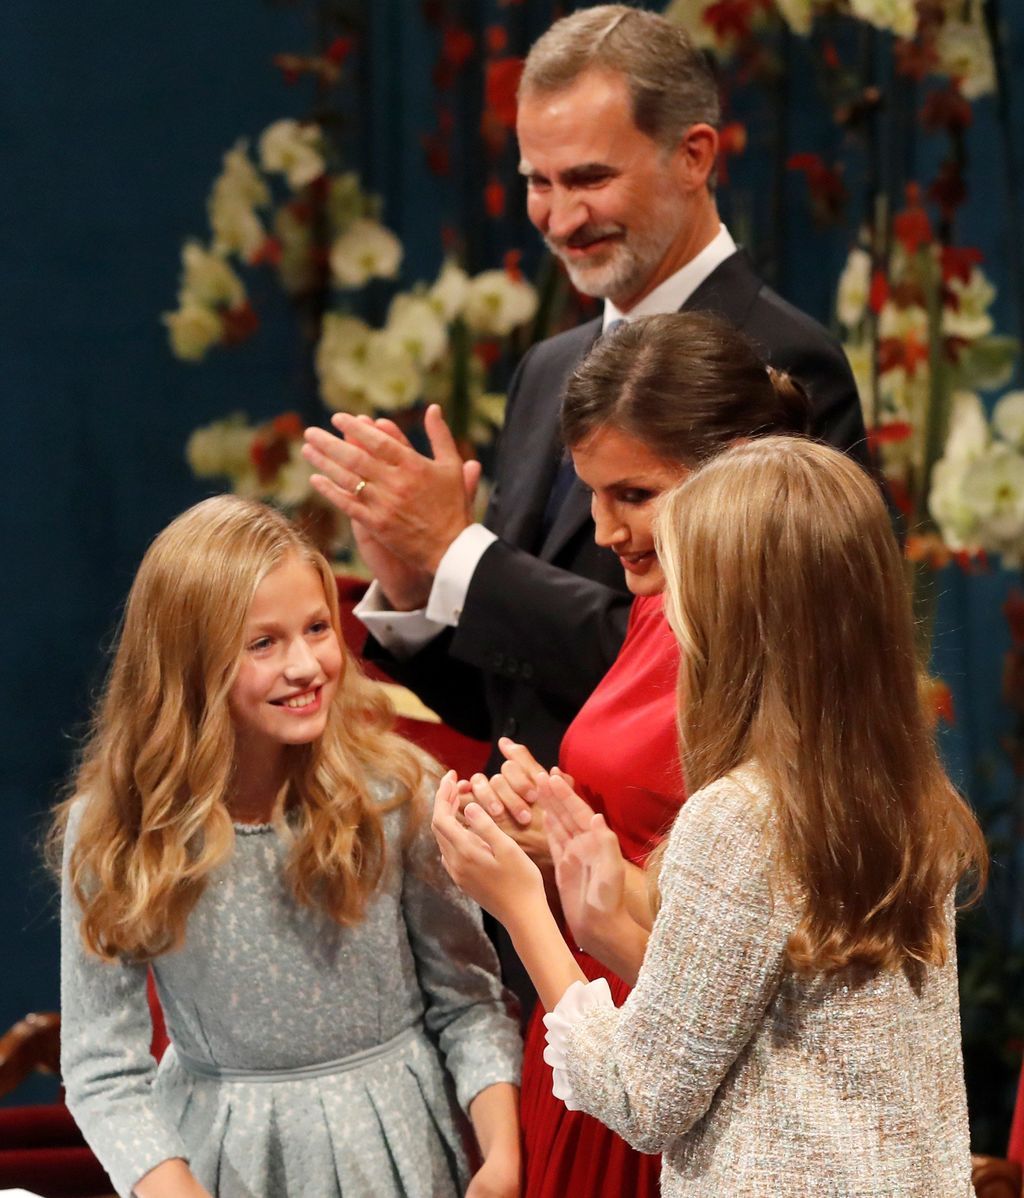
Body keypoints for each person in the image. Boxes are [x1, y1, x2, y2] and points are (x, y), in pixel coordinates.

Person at [301, 4, 874, 777]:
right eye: (538, 181)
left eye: (590, 178)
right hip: (536, 881)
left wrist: (459, 553)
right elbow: (515, 701)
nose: (561, 218)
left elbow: (737, 674)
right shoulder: (548, 368)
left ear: (695, 156)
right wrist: (415, 587)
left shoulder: (784, 360)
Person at [432, 436, 987, 1197]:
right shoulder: (905, 792)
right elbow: (775, 1033)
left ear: (734, 616)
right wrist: (600, 922)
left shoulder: (739, 816)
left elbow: (642, 1101)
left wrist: (522, 905)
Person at [52, 496, 521, 1198]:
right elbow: (102, 1070)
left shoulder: (395, 793)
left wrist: (503, 1157)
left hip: (402, 1151)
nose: (306, 665)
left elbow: (468, 1002)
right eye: (263, 643)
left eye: (316, 628)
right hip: (216, 1161)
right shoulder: (116, 828)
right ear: (191, 664)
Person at [455, 310, 811, 1198]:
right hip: (589, 1038)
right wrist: (560, 830)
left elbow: (741, 940)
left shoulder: (775, 657)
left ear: (731, 467)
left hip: (668, 1073)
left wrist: (532, 892)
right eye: (592, 494)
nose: (605, 530)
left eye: (635, 496)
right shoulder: (659, 604)